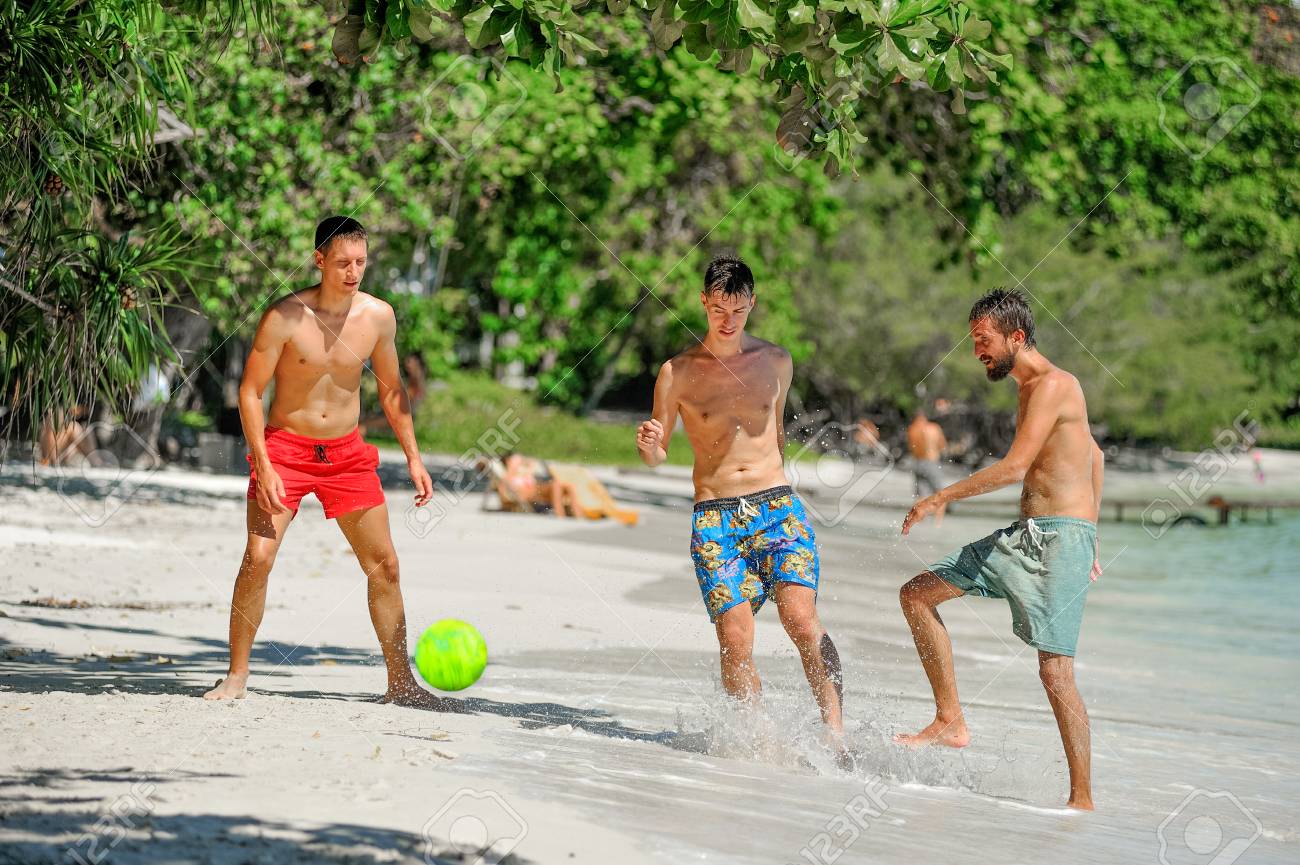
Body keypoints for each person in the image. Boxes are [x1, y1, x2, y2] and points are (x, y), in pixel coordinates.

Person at [204, 216, 444, 708]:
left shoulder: (378, 317)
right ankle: (236, 674)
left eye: (360, 261)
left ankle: (401, 684)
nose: (353, 272)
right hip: (287, 451)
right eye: (342, 263)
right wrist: (264, 463)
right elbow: (250, 393)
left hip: (347, 455)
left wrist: (415, 459)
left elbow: (393, 391)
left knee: (386, 566)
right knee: (259, 558)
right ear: (319, 261)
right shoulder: (285, 316)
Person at [897, 288, 1104, 810]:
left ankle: (1082, 800)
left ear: (1016, 336)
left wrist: (939, 496)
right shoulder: (1029, 387)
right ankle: (950, 719)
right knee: (917, 595)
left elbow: (1015, 467)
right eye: (973, 342)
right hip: (1028, 535)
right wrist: (1092, 532)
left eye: (983, 341)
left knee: (1055, 671)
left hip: (1058, 540)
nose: (977, 352)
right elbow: (1094, 455)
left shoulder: (1057, 385)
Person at [636, 255, 844, 749]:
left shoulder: (776, 361)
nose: (727, 321)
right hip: (715, 516)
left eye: (737, 311)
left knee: (802, 621)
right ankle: (753, 738)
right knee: (736, 639)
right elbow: (657, 451)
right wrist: (649, 447)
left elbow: (775, 437)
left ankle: (836, 732)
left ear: (752, 304)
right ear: (703, 303)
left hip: (776, 506)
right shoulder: (677, 372)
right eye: (718, 311)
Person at [907, 406, 948, 526]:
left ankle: (916, 523)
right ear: (924, 416)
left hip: (917, 463)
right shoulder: (933, 428)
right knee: (942, 494)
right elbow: (942, 446)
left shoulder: (911, 429)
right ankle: (938, 525)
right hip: (931, 463)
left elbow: (911, 448)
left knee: (921, 496)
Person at [501, 451, 577, 517]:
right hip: (531, 495)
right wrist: (512, 468)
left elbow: (531, 468)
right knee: (555, 485)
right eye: (515, 460)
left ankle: (580, 518)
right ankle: (560, 516)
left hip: (537, 489)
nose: (520, 462)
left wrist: (527, 466)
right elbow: (504, 491)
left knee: (568, 486)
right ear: (508, 461)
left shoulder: (523, 471)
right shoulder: (507, 475)